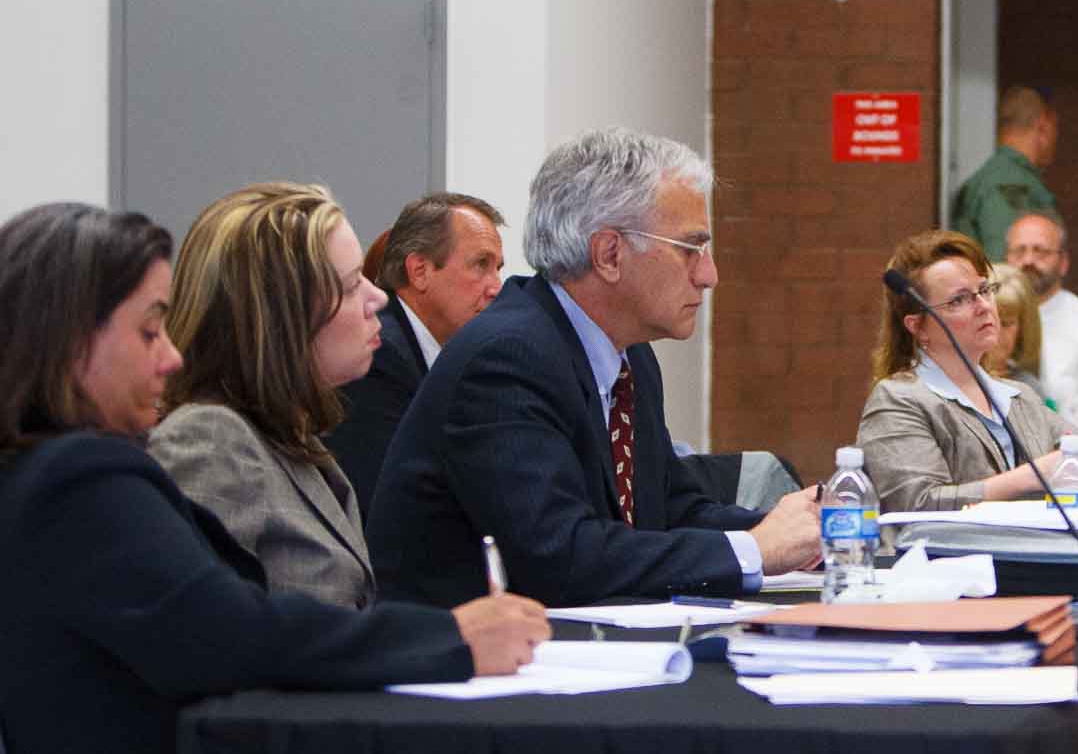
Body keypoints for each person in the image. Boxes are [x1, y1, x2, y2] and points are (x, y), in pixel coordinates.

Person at [0, 202, 546, 754]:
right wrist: (449, 638)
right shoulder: (80, 479)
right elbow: (223, 633)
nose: (170, 357)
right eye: (147, 331)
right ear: (70, 341)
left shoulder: (49, 473)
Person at [367, 128, 823, 607]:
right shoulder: (505, 359)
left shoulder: (630, 355)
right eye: (690, 248)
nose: (709, 275)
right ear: (609, 254)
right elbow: (560, 558)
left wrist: (788, 530)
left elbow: (666, 511)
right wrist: (754, 550)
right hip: (462, 662)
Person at [147, 182, 389, 608]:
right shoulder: (210, 440)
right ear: (284, 315)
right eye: (352, 286)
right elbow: (202, 638)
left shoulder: (289, 434)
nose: (379, 298)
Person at [857, 232, 1078, 514]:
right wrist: (1031, 476)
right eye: (959, 300)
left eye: (984, 290)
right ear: (917, 326)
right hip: (945, 556)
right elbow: (917, 504)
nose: (983, 306)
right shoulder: (897, 400)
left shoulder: (1017, 396)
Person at [324, 191, 507, 515]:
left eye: (498, 268)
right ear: (420, 271)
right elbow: (392, 503)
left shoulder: (444, 356)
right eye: (481, 264)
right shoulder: (377, 354)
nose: (496, 287)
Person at [1004, 211, 1078, 429]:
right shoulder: (985, 319)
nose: (1028, 260)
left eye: (1040, 251)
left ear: (1063, 263)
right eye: (1019, 251)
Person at [950, 86, 1060, 262]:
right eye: (1056, 128)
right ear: (1043, 127)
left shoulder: (997, 178)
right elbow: (1006, 265)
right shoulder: (1008, 184)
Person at [981, 263, 1049, 404]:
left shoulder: (1030, 388)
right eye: (989, 321)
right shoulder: (955, 382)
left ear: (1023, 328)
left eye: (1006, 323)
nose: (997, 332)